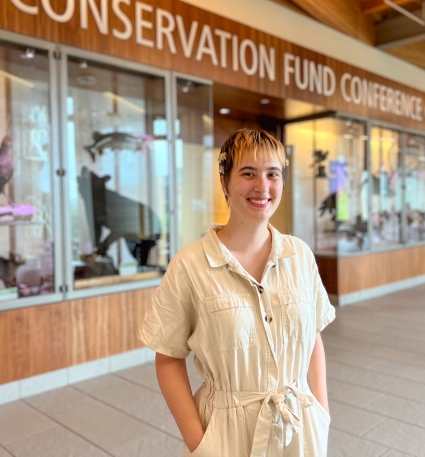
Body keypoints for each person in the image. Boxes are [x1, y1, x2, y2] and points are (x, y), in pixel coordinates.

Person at [139, 129, 336, 456]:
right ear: (224, 182)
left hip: (300, 429)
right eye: (248, 173)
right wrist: (200, 444)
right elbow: (168, 358)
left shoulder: (299, 255)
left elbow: (313, 335)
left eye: (273, 174)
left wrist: (321, 414)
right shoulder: (191, 265)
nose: (262, 186)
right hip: (227, 435)